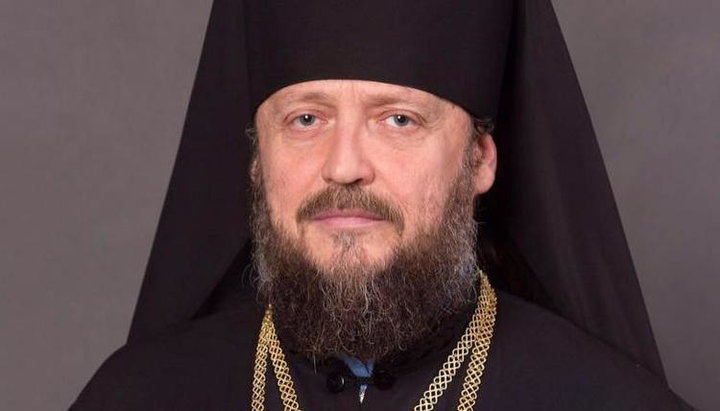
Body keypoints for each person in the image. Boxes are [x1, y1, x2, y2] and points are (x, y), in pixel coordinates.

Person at [71, 0, 692, 409]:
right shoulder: (136, 396)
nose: (344, 166)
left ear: (479, 159)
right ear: (257, 161)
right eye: (306, 119)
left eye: (398, 120)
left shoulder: (608, 401)